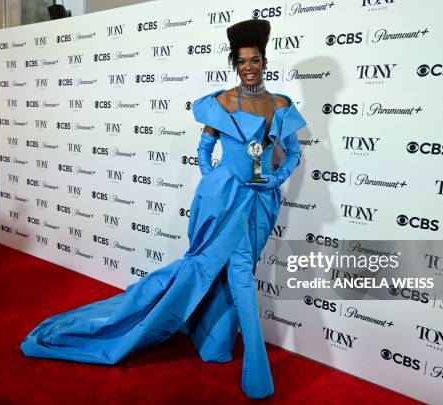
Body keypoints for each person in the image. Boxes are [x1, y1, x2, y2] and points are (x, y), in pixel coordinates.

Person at [20, 19, 306, 399]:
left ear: (265, 61)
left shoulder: (281, 104)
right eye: (242, 61)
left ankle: (215, 343)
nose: (249, 66)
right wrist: (213, 183)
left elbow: (295, 154)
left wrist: (274, 179)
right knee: (240, 277)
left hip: (261, 204)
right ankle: (257, 374)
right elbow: (204, 151)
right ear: (234, 64)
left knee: (239, 272)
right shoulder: (220, 103)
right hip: (223, 205)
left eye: (255, 60)